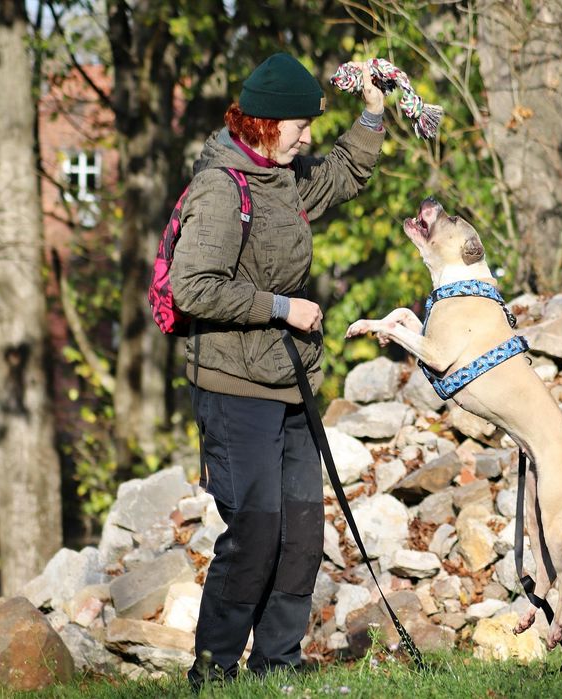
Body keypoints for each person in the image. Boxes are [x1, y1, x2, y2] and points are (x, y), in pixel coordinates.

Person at [169, 53, 385, 687]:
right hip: (234, 390)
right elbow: (193, 287)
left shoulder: (282, 176)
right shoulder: (222, 187)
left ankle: (277, 668)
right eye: (300, 124)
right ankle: (212, 673)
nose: (308, 136)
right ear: (264, 122)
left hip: (289, 382)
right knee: (256, 534)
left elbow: (343, 173)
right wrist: (280, 307)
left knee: (300, 535)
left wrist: (373, 111)